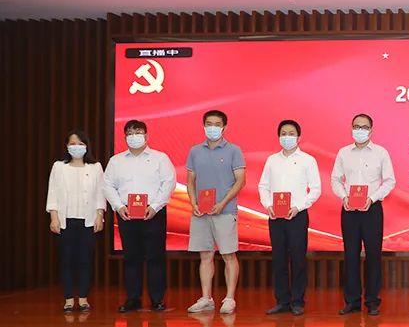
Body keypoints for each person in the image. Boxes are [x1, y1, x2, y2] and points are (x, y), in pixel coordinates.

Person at [103, 120, 176, 312]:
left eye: (138, 132)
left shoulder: (160, 158)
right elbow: (107, 185)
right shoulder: (116, 161)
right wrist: (118, 206)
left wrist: (155, 206)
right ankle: (133, 298)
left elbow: (169, 183)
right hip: (126, 213)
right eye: (130, 133)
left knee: (155, 257)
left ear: (146, 135)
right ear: (125, 136)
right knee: (131, 257)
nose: (134, 136)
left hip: (153, 212)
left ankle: (157, 299)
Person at [331, 113, 396, 316]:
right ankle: (352, 301)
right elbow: (335, 179)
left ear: (371, 130)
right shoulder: (343, 153)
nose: (360, 130)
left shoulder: (381, 153)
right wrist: (344, 196)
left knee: (373, 255)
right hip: (349, 209)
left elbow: (389, 181)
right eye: (356, 126)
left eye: (364, 127)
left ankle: (372, 301)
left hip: (372, 209)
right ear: (351, 129)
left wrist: (373, 198)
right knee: (350, 255)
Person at [186, 110, 246, 315]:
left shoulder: (234, 151)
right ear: (204, 126)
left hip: (225, 211)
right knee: (205, 255)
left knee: (228, 254)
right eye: (208, 124)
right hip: (201, 213)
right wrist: (193, 202)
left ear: (224, 127)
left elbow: (240, 180)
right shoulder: (195, 151)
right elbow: (190, 180)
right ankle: (206, 298)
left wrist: (222, 203)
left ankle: (229, 298)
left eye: (217, 124)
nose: (212, 127)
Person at [259, 120, 321, 316]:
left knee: (298, 259)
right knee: (279, 259)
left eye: (291, 133)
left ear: (298, 137)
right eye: (283, 133)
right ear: (279, 137)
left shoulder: (308, 160)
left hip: (297, 215)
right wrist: (268, 205)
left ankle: (297, 301)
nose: (287, 137)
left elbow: (316, 189)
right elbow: (263, 186)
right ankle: (282, 301)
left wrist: (298, 207)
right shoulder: (271, 160)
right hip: (275, 216)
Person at [46, 130, 106, 313]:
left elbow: (100, 193)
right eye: (72, 143)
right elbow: (53, 192)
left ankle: (83, 298)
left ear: (87, 146)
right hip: (65, 220)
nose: (76, 147)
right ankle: (68, 299)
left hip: (88, 220)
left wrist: (99, 215)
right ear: (66, 146)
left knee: (85, 260)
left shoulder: (95, 167)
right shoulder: (59, 166)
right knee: (66, 260)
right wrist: (54, 217)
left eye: (80, 144)